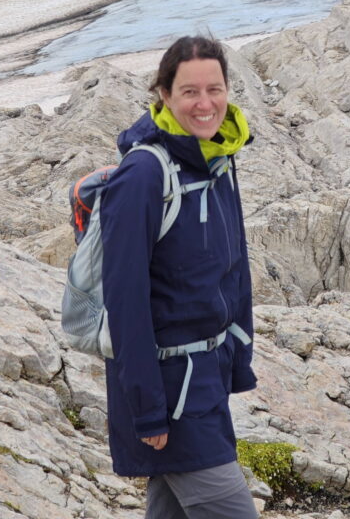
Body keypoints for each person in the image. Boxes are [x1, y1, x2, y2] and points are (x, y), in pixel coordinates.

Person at [100, 35, 258, 519]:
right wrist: (146, 407)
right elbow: (124, 302)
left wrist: (238, 358)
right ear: (164, 95)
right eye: (190, 92)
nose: (205, 103)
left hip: (204, 380)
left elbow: (234, 268)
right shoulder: (144, 176)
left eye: (215, 89)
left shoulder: (218, 159)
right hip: (168, 395)